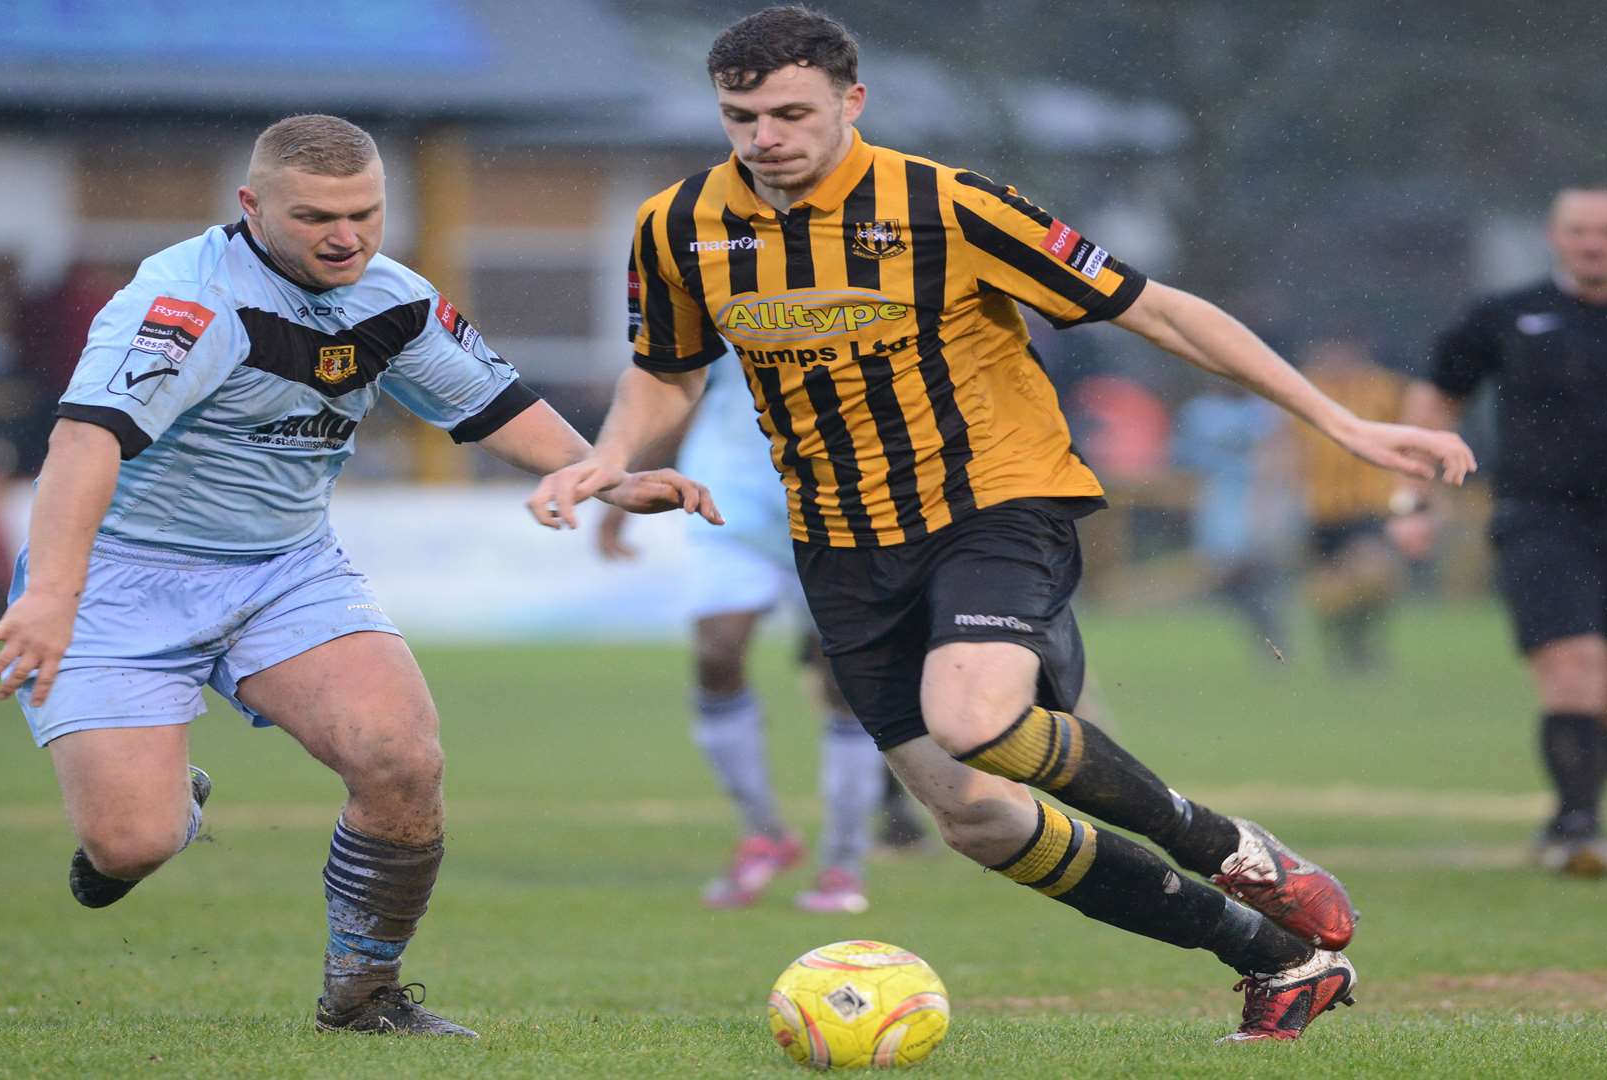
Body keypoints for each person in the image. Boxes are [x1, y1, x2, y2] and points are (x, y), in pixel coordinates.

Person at [526, 6, 1474, 1043]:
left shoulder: (947, 204)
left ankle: (1233, 849)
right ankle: (1275, 956)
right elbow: (665, 371)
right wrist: (614, 458)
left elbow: (1153, 308)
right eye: (741, 116)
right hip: (840, 539)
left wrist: (1339, 421)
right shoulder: (677, 224)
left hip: (994, 501)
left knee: (975, 717)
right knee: (972, 815)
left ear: (853, 101)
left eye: (791, 112)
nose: (765, 138)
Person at [0, 115, 717, 1037]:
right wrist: (50, 597)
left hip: (285, 568)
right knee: (130, 840)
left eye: (365, 212)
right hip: (124, 576)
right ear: (251, 206)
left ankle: (363, 998)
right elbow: (84, 442)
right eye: (315, 216)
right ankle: (150, 818)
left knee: (401, 756)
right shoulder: (186, 305)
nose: (345, 235)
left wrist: (609, 478)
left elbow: (493, 404)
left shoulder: (391, 297)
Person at [1391, 187, 1607, 877]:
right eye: (1579, 231)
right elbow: (1436, 395)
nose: (1592, 244)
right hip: (1539, 516)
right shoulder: (1507, 313)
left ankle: (1567, 812)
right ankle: (1583, 828)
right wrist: (1412, 497)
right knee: (1572, 664)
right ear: (1556, 237)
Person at [597, 362, 922, 914]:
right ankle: (764, 833)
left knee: (843, 678)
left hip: (845, 506)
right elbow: (676, 392)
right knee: (717, 652)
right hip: (733, 499)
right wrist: (626, 481)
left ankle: (843, 862)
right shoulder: (726, 291)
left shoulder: (861, 294)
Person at [1292, 340, 1407, 675]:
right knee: (1327, 594)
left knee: (1374, 573)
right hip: (1319, 512)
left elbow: (1410, 437)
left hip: (1367, 508)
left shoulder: (1384, 390)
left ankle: (1362, 641)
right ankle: (1343, 648)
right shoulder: (1302, 390)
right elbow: (1286, 448)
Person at [1170, 386, 1294, 662]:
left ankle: (1273, 634)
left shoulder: (1265, 412)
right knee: (1228, 573)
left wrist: (1269, 510)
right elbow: (1186, 462)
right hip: (1217, 502)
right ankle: (1271, 632)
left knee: (1254, 571)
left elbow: (1279, 460)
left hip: (1259, 499)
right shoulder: (1199, 411)